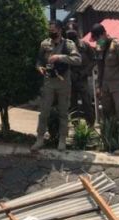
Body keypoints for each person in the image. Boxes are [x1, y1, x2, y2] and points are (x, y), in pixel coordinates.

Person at [31, 20, 82, 152]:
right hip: (49, 81)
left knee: (63, 112)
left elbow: (78, 60)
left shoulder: (69, 45)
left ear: (60, 30)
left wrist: (60, 57)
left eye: (53, 30)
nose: (51, 32)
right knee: (44, 112)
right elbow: (38, 60)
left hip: (64, 82)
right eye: (50, 30)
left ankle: (62, 140)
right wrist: (39, 68)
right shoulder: (45, 44)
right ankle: (40, 139)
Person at [91, 23, 119, 155]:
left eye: (97, 38)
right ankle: (110, 141)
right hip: (105, 87)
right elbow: (100, 69)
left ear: (103, 34)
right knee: (107, 114)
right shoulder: (99, 47)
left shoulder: (117, 45)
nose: (97, 41)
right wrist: (99, 87)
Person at [66, 29, 96, 127]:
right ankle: (76, 125)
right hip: (70, 78)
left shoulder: (85, 46)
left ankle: (90, 124)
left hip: (82, 78)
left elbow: (93, 59)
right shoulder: (65, 47)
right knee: (72, 103)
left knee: (87, 102)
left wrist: (85, 72)